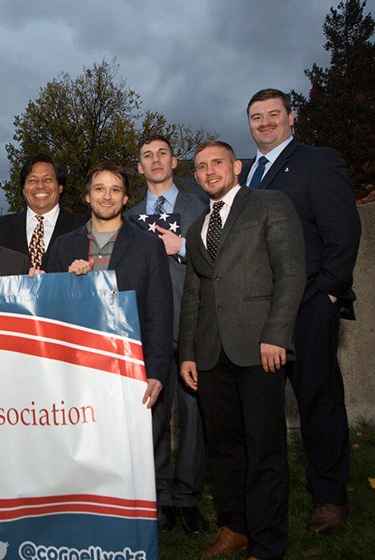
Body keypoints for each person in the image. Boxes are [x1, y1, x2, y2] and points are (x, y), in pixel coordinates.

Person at [239, 88, 361, 534]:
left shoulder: (317, 161)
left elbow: (343, 231)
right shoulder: (246, 175)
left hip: (309, 305)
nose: (265, 123)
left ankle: (329, 497)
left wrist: (329, 292)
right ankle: (268, 497)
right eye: (256, 117)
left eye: (274, 114)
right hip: (258, 312)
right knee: (262, 411)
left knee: (318, 402)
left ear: (292, 117)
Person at [180, 141, 305, 560]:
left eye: (217, 162)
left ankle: (268, 542)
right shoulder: (198, 225)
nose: (210, 171)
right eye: (201, 167)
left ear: (236, 166)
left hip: (260, 348)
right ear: (195, 177)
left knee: (265, 448)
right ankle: (236, 527)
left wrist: (277, 334)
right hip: (212, 355)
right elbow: (195, 295)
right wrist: (189, 354)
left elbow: (290, 272)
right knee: (224, 448)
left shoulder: (271, 203)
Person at [126, 135, 208, 534]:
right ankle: (158, 496)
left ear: (175, 162)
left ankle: (188, 497)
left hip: (193, 322)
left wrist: (184, 246)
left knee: (194, 414)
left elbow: (221, 252)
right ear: (138, 168)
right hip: (150, 328)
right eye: (147, 156)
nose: (155, 161)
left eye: (162, 154)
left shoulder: (200, 205)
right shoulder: (130, 216)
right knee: (153, 414)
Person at [46, 162, 172, 410]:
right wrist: (68, 283)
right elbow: (52, 314)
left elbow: (160, 314)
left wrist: (156, 372)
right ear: (87, 196)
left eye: (114, 190)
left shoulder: (148, 247)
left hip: (133, 369)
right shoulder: (63, 247)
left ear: (125, 198)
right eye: (99, 189)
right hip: (77, 371)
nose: (106, 197)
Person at [0, 154, 88, 270]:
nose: (40, 186)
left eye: (48, 179)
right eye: (32, 180)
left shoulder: (84, 227)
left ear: (60, 187)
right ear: (23, 189)